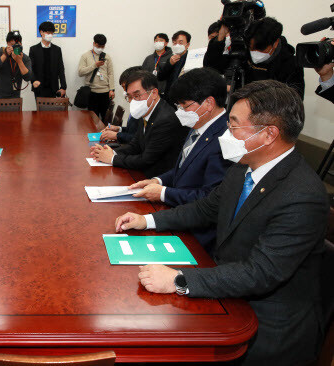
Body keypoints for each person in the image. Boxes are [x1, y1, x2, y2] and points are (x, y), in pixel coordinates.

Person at [114, 80, 328, 366]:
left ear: (269, 134)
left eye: (235, 125)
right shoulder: (245, 167)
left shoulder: (302, 195)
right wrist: (148, 220)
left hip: (266, 323)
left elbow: (261, 273)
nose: (226, 133)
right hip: (227, 287)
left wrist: (178, 280)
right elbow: (207, 208)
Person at [129, 68, 232, 252]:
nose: (181, 112)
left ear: (208, 103)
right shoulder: (198, 123)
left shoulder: (225, 139)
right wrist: (157, 181)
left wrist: (163, 193)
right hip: (176, 214)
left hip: (197, 235)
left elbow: (210, 199)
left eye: (185, 106)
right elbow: (182, 168)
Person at [90, 70, 188, 177]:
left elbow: (146, 159)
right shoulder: (147, 110)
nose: (133, 102)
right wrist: (110, 152)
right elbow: (135, 145)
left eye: (136, 96)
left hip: (157, 178)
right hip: (143, 171)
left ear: (154, 93)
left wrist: (112, 158)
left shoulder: (166, 119)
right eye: (129, 97)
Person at [204, 17, 305, 98]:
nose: (255, 53)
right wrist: (220, 36)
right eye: (251, 48)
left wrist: (242, 91)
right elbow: (212, 67)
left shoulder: (291, 63)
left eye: (260, 49)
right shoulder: (244, 52)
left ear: (275, 43)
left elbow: (294, 99)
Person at [0, 30, 32, 119]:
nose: (15, 47)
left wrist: (19, 61)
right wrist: (5, 55)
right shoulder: (1, 52)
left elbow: (28, 77)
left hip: (14, 98)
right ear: (7, 44)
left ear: (21, 45)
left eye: (18, 45)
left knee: (14, 126)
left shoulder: (25, 58)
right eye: (12, 45)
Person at [100, 66, 142, 144]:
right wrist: (119, 129)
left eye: (125, 87)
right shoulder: (136, 105)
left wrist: (117, 135)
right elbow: (132, 131)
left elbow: (139, 139)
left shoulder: (144, 108)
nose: (125, 92)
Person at [78, 34, 115, 118]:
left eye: (102, 46)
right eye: (98, 46)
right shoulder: (85, 56)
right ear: (94, 43)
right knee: (93, 120)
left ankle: (106, 132)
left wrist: (112, 89)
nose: (100, 48)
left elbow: (110, 74)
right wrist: (94, 65)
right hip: (92, 92)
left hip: (105, 92)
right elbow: (80, 72)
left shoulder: (106, 57)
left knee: (106, 118)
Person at [29, 21, 67, 99]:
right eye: (48, 33)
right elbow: (31, 68)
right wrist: (33, 81)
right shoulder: (33, 49)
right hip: (38, 86)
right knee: (40, 110)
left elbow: (61, 68)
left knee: (52, 111)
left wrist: (63, 87)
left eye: (51, 33)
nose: (50, 35)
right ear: (41, 32)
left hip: (53, 87)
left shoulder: (57, 49)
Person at [158, 30, 191, 100]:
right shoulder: (171, 58)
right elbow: (160, 77)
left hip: (184, 98)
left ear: (187, 45)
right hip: (169, 97)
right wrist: (169, 64)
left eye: (180, 43)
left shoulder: (191, 59)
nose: (177, 45)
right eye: (174, 43)